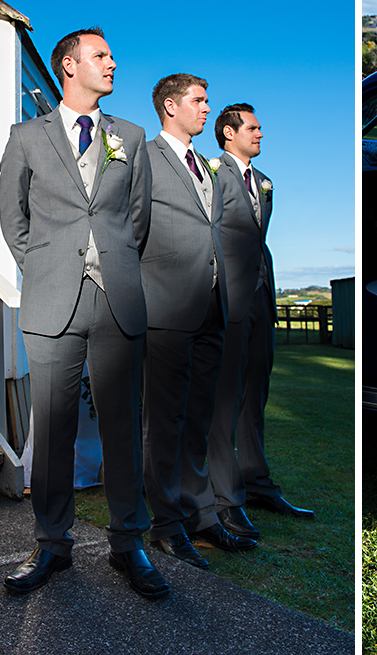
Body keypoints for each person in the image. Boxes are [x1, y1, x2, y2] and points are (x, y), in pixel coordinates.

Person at [0, 27, 168, 599]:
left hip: (117, 297)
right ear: (69, 66)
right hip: (52, 297)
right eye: (102, 55)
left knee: (124, 426)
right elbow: (12, 218)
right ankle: (51, 544)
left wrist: (112, 263)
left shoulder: (133, 136)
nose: (113, 63)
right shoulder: (26, 136)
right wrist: (44, 268)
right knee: (53, 428)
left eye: (113, 55)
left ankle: (130, 543)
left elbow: (137, 221)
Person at [141, 75, 256, 570]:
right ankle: (166, 524)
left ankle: (200, 515)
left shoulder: (207, 169)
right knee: (165, 421)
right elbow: (129, 228)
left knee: (198, 419)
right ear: (170, 106)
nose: (207, 109)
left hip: (213, 308)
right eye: (198, 100)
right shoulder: (144, 157)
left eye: (207, 100)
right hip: (165, 308)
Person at [209, 103, 312, 539]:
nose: (260, 134)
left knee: (256, 395)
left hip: (261, 298)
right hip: (226, 299)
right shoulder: (212, 174)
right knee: (225, 399)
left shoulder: (264, 182)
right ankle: (225, 495)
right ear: (229, 134)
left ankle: (257, 483)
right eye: (252, 128)